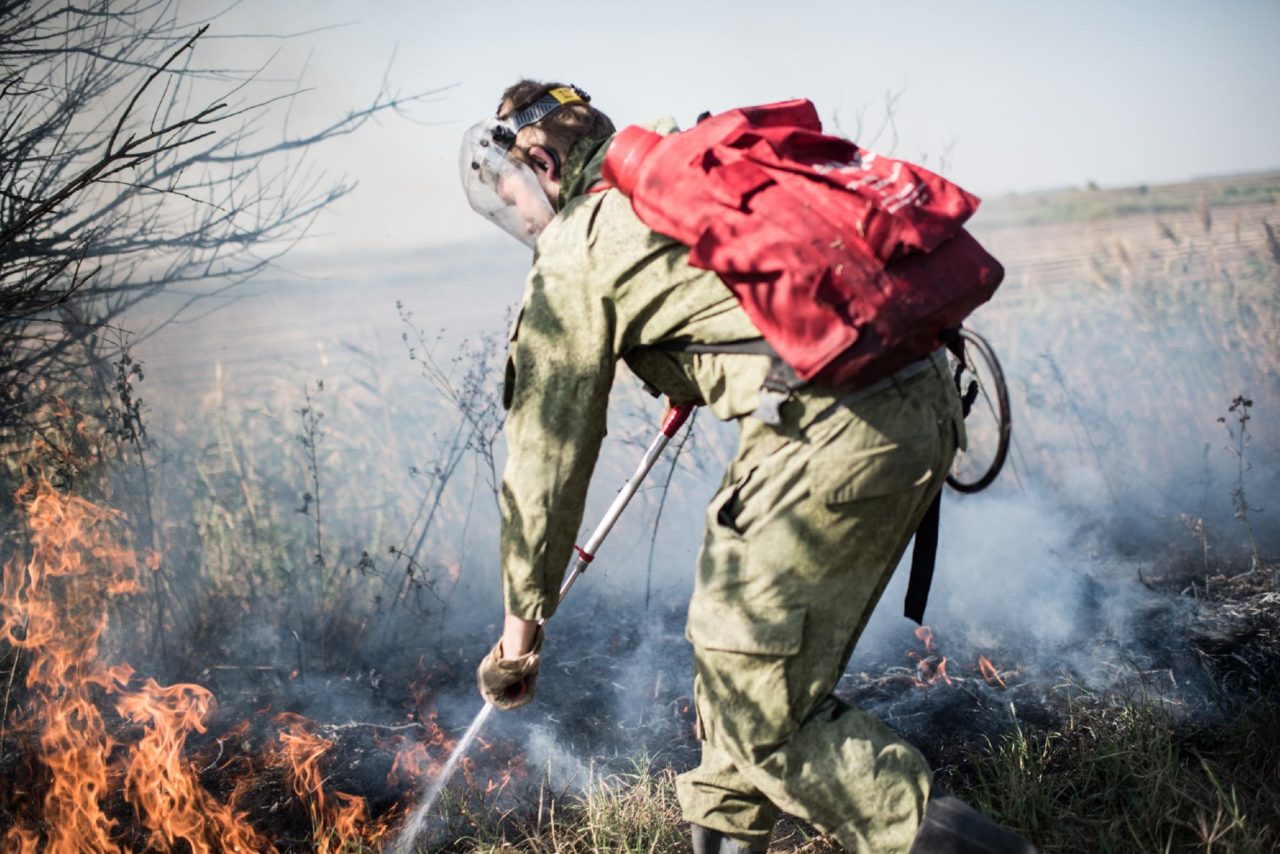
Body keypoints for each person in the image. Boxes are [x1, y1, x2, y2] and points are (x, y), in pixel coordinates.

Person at [463, 80, 1035, 854]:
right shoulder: (676, 176)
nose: (522, 218)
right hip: (923, 397)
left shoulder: (578, 241)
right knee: (732, 649)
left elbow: (546, 456)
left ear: (543, 163)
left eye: (514, 196)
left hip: (835, 428)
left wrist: (519, 637)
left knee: (754, 709)